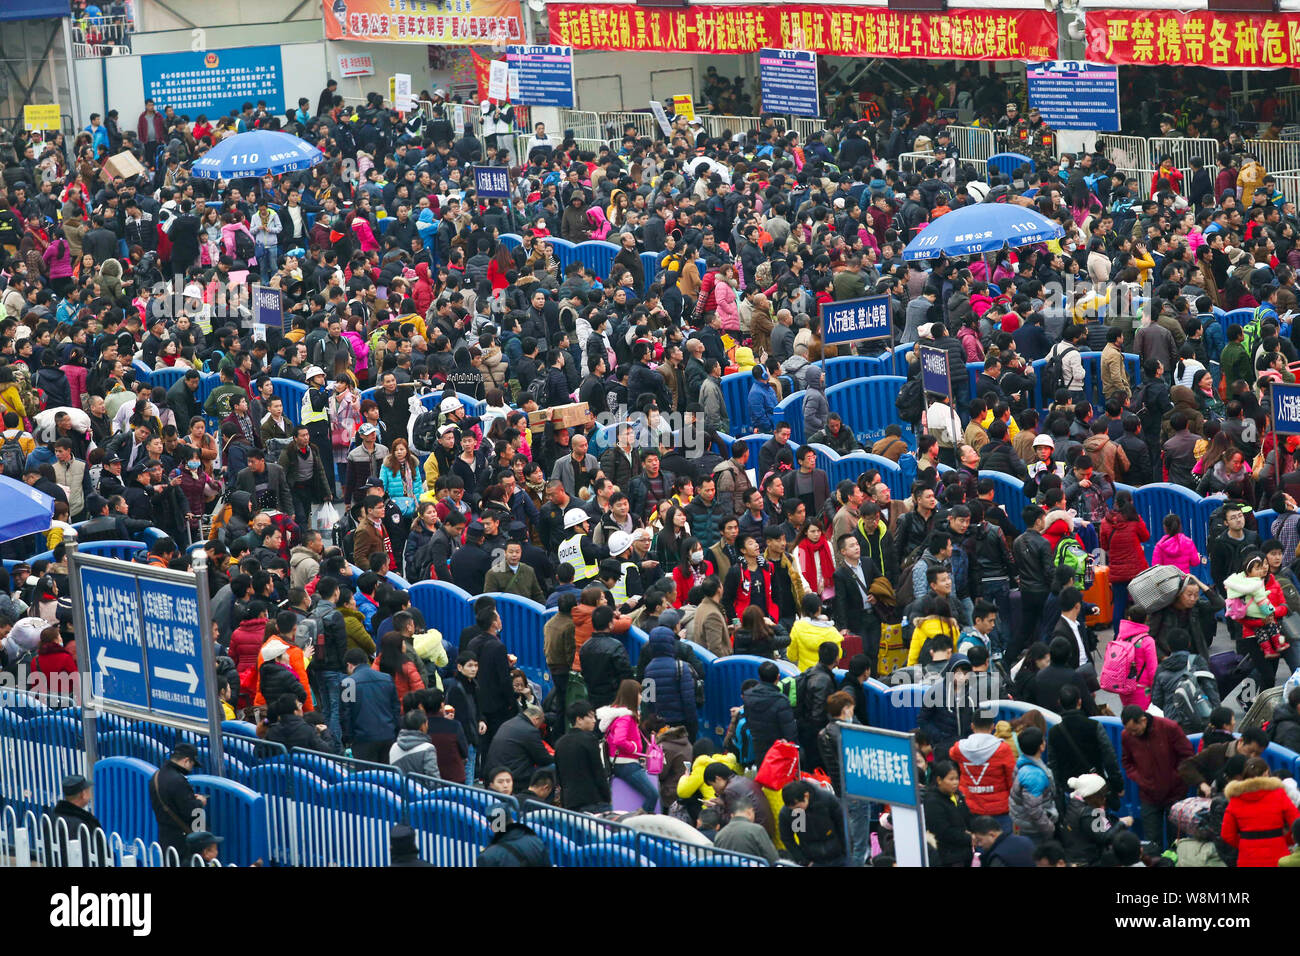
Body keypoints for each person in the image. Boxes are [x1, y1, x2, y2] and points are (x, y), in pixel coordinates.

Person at [1120, 705, 1193, 848]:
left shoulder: (1169, 728)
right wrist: (1140, 779)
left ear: (1143, 720)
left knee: (1177, 841)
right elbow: (1127, 762)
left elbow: (1188, 756)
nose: (1132, 734)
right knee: (1151, 842)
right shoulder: (1126, 736)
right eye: (1129, 731)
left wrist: (1175, 777)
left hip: (1175, 794)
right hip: (1148, 795)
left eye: (1134, 730)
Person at [1221, 757, 1299, 867]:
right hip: (1278, 856)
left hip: (1247, 859)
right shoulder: (1279, 794)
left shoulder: (1235, 799)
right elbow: (1296, 822)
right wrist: (1286, 840)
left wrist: (1244, 844)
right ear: (1267, 773)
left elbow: (1227, 834)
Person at [598, 679, 659, 813]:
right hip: (627, 765)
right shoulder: (626, 717)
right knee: (653, 795)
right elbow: (619, 740)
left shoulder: (616, 714)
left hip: (620, 763)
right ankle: (638, 820)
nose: (641, 697)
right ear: (631, 695)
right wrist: (635, 748)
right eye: (639, 693)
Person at [149, 743, 208, 861]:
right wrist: (200, 802)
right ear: (186, 760)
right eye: (192, 764)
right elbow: (191, 811)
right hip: (181, 841)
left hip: (165, 838)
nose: (191, 769)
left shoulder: (156, 776)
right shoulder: (178, 781)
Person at [341, 647, 401, 763]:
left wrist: (349, 739)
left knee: (366, 779)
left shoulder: (348, 683)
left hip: (363, 739)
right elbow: (396, 709)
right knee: (387, 777)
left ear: (349, 665)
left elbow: (346, 715)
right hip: (388, 736)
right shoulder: (387, 679)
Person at [554, 700, 612, 813]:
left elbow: (560, 776)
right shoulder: (590, 739)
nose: (594, 721)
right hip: (593, 801)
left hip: (570, 802)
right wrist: (607, 797)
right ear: (579, 719)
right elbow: (598, 772)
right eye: (590, 717)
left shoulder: (560, 743)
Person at [483, 705, 553, 794]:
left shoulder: (508, 723)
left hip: (494, 771)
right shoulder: (530, 730)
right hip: (516, 775)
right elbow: (543, 759)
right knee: (553, 767)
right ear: (536, 719)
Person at [778, 779, 846, 866]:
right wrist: (803, 861)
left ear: (806, 796)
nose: (796, 811)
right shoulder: (786, 813)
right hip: (812, 860)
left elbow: (842, 825)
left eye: (798, 807)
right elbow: (787, 838)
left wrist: (846, 851)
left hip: (838, 856)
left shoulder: (826, 799)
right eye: (793, 809)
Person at [923, 759, 972, 867]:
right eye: (951, 779)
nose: (955, 782)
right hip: (947, 857)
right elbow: (942, 832)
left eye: (957, 779)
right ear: (939, 780)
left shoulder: (958, 795)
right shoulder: (932, 801)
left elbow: (968, 818)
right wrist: (968, 837)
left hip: (965, 853)